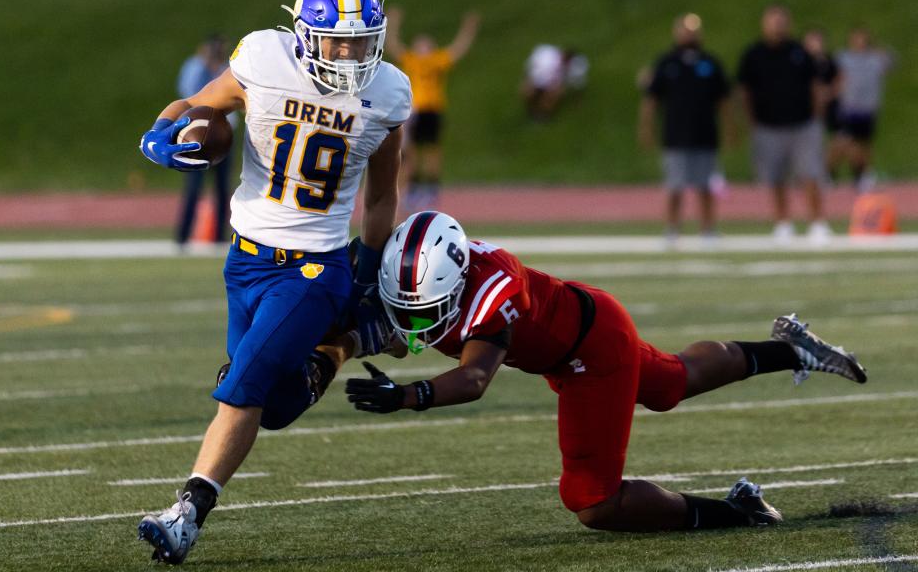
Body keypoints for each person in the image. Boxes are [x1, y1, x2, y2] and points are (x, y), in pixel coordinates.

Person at [338, 211, 867, 533]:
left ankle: (740, 511)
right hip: (580, 330)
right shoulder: (414, 272)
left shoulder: (494, 289)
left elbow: (475, 379)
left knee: (592, 501)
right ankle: (793, 350)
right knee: (672, 383)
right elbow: (399, 330)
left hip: (588, 351)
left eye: (427, 310)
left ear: (455, 283)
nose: (416, 323)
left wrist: (407, 397)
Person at [135, 0, 411, 565]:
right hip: (246, 260)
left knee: (242, 389)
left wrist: (365, 276)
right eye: (338, 41)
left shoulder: (387, 93)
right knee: (277, 407)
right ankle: (346, 342)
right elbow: (198, 105)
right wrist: (160, 133)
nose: (352, 53)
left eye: (363, 41)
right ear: (305, 34)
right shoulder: (264, 57)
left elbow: (384, 196)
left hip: (316, 269)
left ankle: (186, 513)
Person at [738, 4, 831, 244]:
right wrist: (751, 120)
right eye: (773, 21)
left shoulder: (799, 52)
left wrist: (816, 114)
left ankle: (817, 222)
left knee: (810, 173)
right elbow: (744, 89)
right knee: (776, 177)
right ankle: (783, 223)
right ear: (764, 24)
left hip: (802, 123)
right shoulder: (754, 54)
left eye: (781, 21)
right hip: (769, 125)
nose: (777, 26)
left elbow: (815, 85)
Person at [639, 13, 733, 241]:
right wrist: (646, 127)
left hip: (705, 133)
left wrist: (730, 128)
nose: (689, 34)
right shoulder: (667, 63)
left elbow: (723, 100)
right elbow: (652, 99)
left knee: (705, 187)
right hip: (675, 134)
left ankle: (708, 229)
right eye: (685, 29)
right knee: (674, 186)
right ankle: (672, 229)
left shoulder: (710, 62)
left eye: (693, 30)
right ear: (677, 32)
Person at [385, 8, 481, 212]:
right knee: (410, 153)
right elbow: (393, 45)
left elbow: (458, 49)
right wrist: (393, 23)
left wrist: (468, 28)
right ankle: (413, 189)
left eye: (426, 44)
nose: (423, 47)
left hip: (431, 109)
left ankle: (429, 189)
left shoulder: (436, 60)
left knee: (431, 151)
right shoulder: (412, 60)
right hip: (414, 111)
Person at [174, 34, 233, 245]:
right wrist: (206, 67)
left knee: (222, 189)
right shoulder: (195, 66)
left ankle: (219, 237)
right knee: (193, 187)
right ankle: (182, 236)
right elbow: (188, 94)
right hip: (196, 135)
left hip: (223, 136)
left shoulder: (229, 67)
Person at [829, 26, 895, 191]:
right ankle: (830, 173)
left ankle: (862, 175)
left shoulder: (874, 59)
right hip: (849, 107)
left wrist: (875, 49)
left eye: (864, 39)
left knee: (864, 144)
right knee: (844, 142)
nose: (860, 42)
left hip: (868, 109)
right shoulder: (843, 58)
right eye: (857, 38)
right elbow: (832, 76)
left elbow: (892, 62)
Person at [522, 44, 589, 120]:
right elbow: (531, 67)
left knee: (551, 96)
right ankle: (531, 108)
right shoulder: (545, 54)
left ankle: (544, 114)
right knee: (528, 93)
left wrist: (578, 101)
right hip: (538, 78)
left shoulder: (576, 69)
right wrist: (528, 80)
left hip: (555, 83)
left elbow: (578, 84)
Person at [802, 28, 841, 139]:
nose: (814, 45)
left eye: (817, 41)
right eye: (811, 41)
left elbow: (839, 80)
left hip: (828, 105)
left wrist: (830, 93)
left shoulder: (829, 61)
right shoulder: (799, 62)